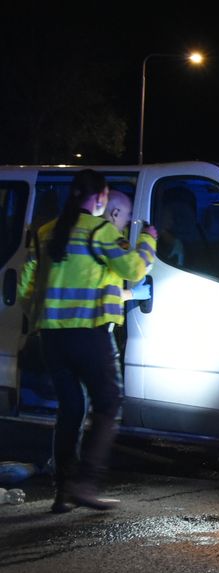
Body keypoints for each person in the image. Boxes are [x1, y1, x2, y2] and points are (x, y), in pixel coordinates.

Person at [18, 169, 157, 513]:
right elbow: (134, 269)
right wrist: (148, 241)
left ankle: (63, 489)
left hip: (51, 338)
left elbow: (25, 287)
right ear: (98, 198)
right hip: (88, 334)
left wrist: (41, 317)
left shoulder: (46, 232)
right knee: (109, 404)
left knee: (71, 410)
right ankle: (86, 483)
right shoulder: (99, 231)